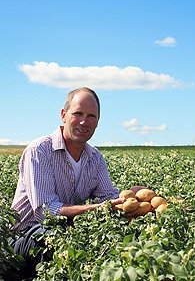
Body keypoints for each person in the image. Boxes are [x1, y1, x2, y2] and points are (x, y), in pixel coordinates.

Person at [9, 87, 130, 278]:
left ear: (98, 121)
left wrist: (133, 197)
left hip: (64, 235)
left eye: (91, 116)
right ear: (64, 115)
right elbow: (45, 212)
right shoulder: (40, 151)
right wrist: (100, 208)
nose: (84, 121)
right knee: (52, 233)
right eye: (78, 113)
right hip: (24, 240)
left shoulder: (95, 158)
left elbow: (109, 197)